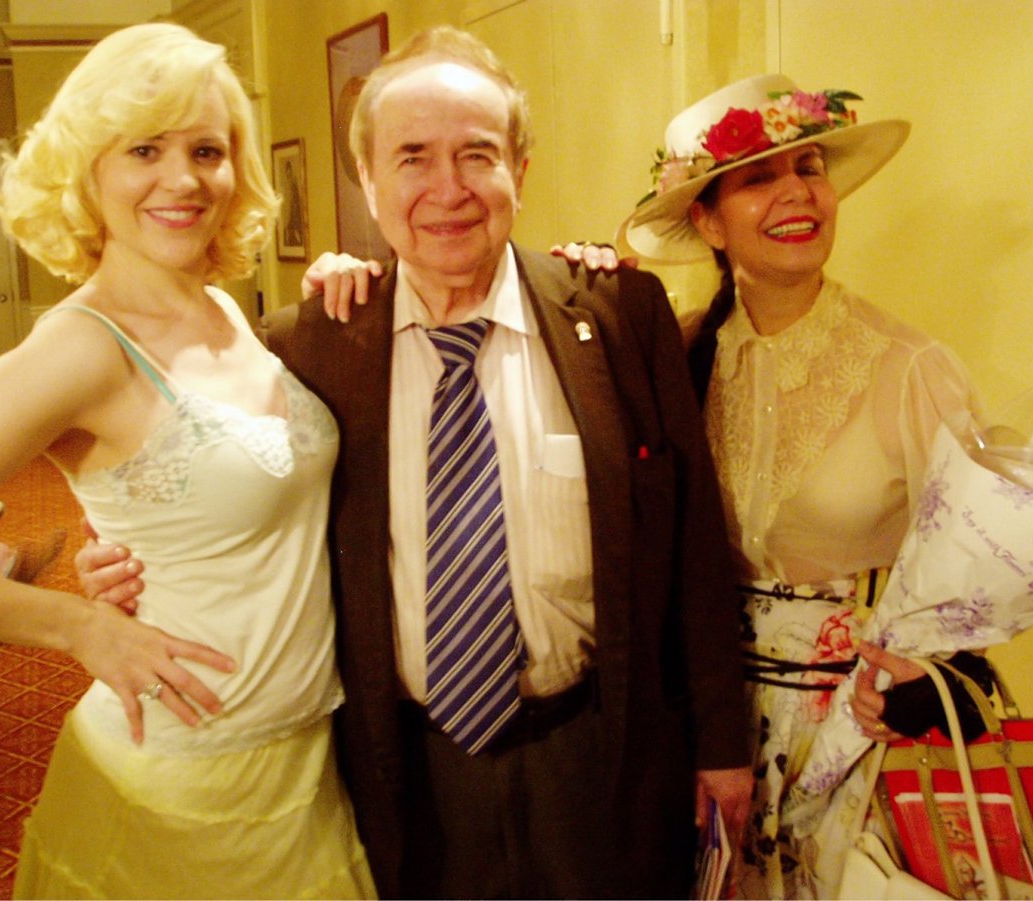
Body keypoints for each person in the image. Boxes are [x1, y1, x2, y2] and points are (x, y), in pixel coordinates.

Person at [81, 24, 752, 900]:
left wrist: (723, 745)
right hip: (405, 768)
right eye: (411, 157)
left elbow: (694, 545)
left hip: (600, 749)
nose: (448, 190)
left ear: (520, 167)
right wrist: (130, 568)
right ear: (367, 179)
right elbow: (238, 500)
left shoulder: (619, 313)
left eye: (477, 155)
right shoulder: (307, 343)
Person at [0, 22, 375, 899]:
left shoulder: (224, 309)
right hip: (176, 785)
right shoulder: (82, 347)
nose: (183, 178)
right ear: (90, 170)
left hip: (303, 766)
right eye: (144, 149)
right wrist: (79, 625)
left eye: (206, 149)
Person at [542, 74, 985, 898]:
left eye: (810, 168)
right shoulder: (671, 360)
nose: (797, 193)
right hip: (699, 740)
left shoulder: (909, 370)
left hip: (854, 749)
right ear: (706, 219)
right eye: (758, 177)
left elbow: (981, 581)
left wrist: (933, 683)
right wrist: (584, 284)